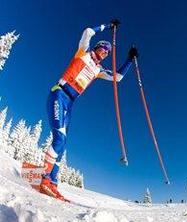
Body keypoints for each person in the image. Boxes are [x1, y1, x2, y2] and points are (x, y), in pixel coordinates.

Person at [40, 20, 139, 201]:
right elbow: (87, 31)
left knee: (61, 145)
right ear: (98, 47)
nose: (105, 53)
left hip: (70, 104)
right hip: (59, 95)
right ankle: (44, 178)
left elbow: (117, 77)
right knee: (59, 138)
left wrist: (130, 60)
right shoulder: (83, 52)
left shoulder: (99, 69)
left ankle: (52, 183)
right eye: (104, 49)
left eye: (108, 52)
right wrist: (107, 26)